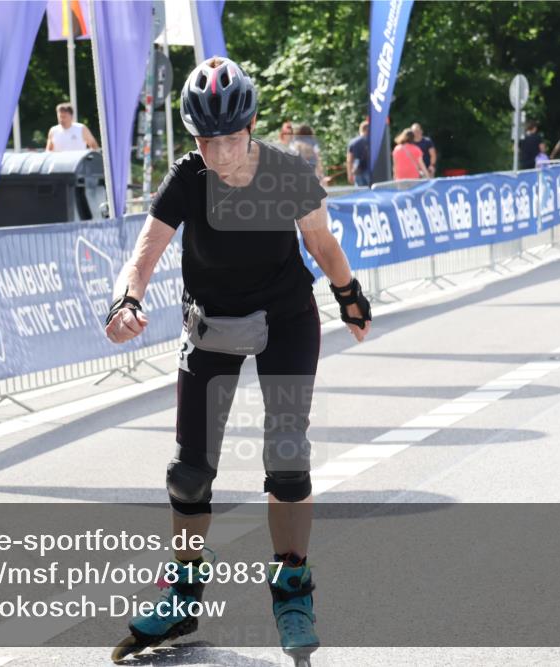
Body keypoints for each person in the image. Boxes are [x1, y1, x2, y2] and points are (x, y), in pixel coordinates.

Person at [105, 56, 371, 664]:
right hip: (212, 324)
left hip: (286, 320)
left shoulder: (287, 173)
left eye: (228, 138)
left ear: (250, 127)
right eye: (206, 140)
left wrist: (349, 294)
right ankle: (183, 592)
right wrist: (126, 300)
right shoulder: (188, 177)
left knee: (287, 454)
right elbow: (144, 253)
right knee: (189, 472)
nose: (219, 152)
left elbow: (320, 242)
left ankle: (292, 590)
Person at [346, 120, 371, 186]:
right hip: (369, 171)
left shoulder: (352, 142)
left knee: (360, 192)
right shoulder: (371, 142)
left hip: (357, 171)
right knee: (372, 191)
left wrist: (349, 174)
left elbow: (349, 160)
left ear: (361, 129)